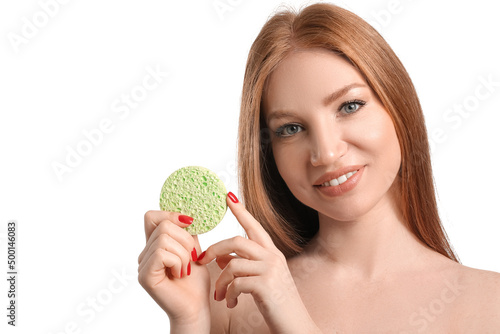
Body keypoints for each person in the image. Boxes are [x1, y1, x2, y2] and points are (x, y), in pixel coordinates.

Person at [137, 3, 500, 333]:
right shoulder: (230, 297)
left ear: (397, 105)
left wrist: (292, 318)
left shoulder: (491, 304)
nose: (325, 153)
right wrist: (191, 320)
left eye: (349, 106)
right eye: (291, 129)